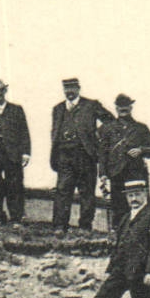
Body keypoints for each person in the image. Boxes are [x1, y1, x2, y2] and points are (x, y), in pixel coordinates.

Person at [50, 77, 111, 229]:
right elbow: (55, 131)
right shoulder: (58, 109)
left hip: (85, 155)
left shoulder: (91, 105)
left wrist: (96, 135)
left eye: (72, 88)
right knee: (63, 190)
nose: (69, 92)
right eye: (66, 88)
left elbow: (110, 121)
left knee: (87, 192)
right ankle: (60, 226)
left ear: (78, 88)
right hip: (64, 155)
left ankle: (85, 226)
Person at [98, 94, 150, 231]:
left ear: (131, 107)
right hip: (116, 174)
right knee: (118, 207)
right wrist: (103, 174)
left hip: (136, 172)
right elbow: (103, 154)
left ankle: (142, 234)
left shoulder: (141, 128)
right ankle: (119, 236)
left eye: (126, 106)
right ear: (116, 108)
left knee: (140, 206)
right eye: (120, 106)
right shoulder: (108, 128)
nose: (123, 109)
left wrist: (141, 150)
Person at [0, 78, 31, 222]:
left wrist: (26, 153)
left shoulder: (16, 109)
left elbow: (24, 132)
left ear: (5, 91)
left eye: (0, 91)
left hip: (12, 153)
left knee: (14, 184)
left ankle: (16, 217)